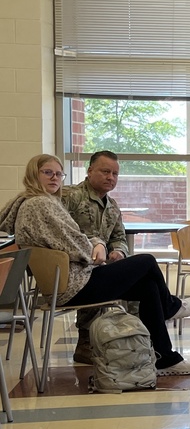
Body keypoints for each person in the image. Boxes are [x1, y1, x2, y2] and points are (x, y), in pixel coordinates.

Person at [0, 154, 190, 375]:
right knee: (147, 261)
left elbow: (85, 237)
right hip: (75, 283)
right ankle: (171, 307)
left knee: (149, 287)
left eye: (58, 173)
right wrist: (96, 249)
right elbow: (71, 241)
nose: (54, 178)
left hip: (76, 277)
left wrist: (107, 248)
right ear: (33, 174)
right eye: (47, 172)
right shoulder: (42, 204)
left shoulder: (42, 202)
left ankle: (166, 359)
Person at [61, 150, 131, 364]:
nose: (111, 177)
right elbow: (61, 232)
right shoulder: (70, 196)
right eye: (106, 171)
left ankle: (134, 338)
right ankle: (86, 344)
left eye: (115, 174)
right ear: (90, 171)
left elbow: (119, 236)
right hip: (73, 267)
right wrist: (94, 244)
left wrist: (118, 251)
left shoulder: (113, 207)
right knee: (97, 274)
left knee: (136, 276)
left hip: (102, 264)